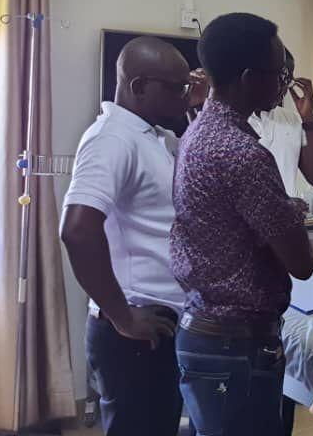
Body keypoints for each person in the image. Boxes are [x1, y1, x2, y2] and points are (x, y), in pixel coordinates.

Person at [171, 13, 313, 436]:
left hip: (204, 330)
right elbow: (300, 263)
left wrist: (278, 207)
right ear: (250, 78)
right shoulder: (244, 155)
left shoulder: (197, 134)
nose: (283, 84)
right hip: (236, 345)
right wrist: (289, 211)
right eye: (277, 74)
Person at [60, 37, 206, 436]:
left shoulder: (154, 136)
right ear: (139, 86)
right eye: (177, 88)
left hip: (163, 323)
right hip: (136, 332)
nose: (186, 95)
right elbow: (77, 230)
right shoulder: (112, 139)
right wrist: (122, 316)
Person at [248, 49, 313, 194]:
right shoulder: (228, 121)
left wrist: (308, 119)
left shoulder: (290, 119)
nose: (284, 89)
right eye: (280, 79)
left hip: (284, 216)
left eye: (288, 81)